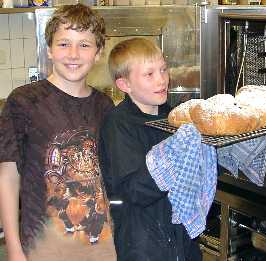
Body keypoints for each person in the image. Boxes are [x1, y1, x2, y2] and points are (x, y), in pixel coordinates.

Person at [0, 4, 117, 261]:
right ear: (49, 50)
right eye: (64, 44)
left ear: (98, 53)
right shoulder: (24, 102)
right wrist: (14, 248)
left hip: (102, 249)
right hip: (44, 250)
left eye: (84, 45)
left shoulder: (105, 107)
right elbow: (8, 178)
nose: (73, 54)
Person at [99, 37, 202, 261]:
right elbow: (134, 190)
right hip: (143, 245)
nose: (162, 80)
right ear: (124, 85)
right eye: (149, 74)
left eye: (163, 70)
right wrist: (174, 155)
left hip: (182, 241)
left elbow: (195, 171)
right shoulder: (118, 124)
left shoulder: (174, 117)